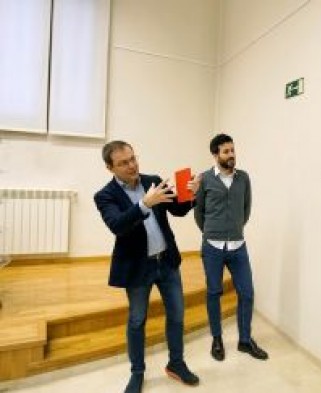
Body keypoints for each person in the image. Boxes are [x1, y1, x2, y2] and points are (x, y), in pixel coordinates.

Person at [94, 141, 201, 393]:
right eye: (123, 162)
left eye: (133, 158)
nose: (132, 165)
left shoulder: (152, 180)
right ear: (110, 168)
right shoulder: (105, 195)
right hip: (137, 268)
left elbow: (178, 209)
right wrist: (144, 204)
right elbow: (117, 224)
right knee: (137, 320)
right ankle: (137, 372)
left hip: (167, 262)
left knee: (177, 315)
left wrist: (191, 194)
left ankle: (176, 364)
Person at [194, 133, 268, 362]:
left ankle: (245, 340)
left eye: (233, 150)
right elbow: (199, 214)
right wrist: (212, 232)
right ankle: (217, 339)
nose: (231, 155)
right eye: (226, 151)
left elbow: (246, 210)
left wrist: (235, 229)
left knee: (247, 293)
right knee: (214, 293)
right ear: (215, 154)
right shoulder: (204, 179)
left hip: (238, 246)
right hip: (213, 246)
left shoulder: (244, 178)